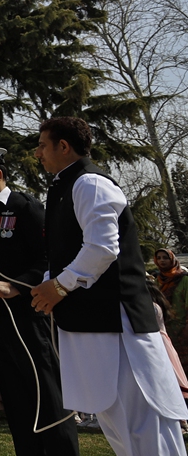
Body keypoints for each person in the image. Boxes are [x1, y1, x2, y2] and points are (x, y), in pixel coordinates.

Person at [30, 117, 188, 456]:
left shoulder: (89, 183)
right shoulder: (65, 186)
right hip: (93, 323)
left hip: (118, 324)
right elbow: (66, 253)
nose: (37, 152)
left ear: (64, 146)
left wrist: (59, 287)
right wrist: (48, 283)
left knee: (143, 422)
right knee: (116, 421)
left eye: (43, 145)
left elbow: (102, 248)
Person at [0, 145, 79, 455]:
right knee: (15, 397)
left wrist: (17, 286)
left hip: (30, 316)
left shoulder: (25, 207)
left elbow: (51, 259)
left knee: (46, 395)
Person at [148, 281, 188, 399]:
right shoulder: (157, 303)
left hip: (159, 342)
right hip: (164, 340)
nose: (162, 261)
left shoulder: (152, 306)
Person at [154, 248, 188, 374]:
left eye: (165, 257)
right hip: (165, 330)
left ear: (172, 259)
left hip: (183, 329)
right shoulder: (157, 281)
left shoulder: (184, 280)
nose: (162, 261)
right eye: (159, 258)